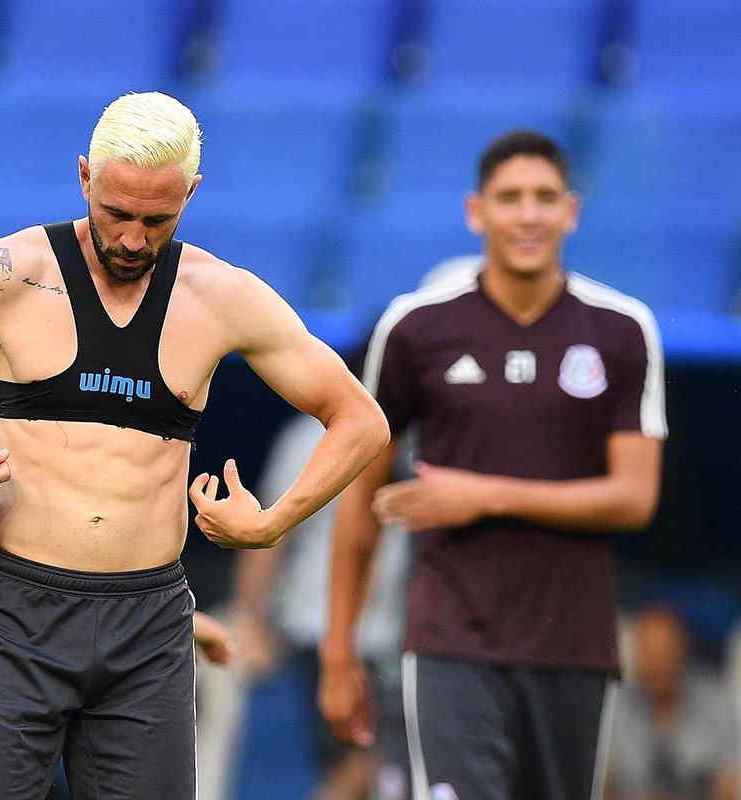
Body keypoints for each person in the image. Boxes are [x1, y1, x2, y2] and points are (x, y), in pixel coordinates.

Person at [0, 90, 389, 799]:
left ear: (192, 193)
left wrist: (273, 523)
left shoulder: (222, 295)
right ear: (85, 177)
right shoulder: (7, 271)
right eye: (116, 212)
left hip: (147, 625)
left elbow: (361, 420)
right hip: (16, 614)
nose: (131, 238)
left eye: (158, 219)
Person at [319, 130, 668, 800]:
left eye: (544, 198)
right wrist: (340, 649)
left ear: (572, 211)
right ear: (476, 212)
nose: (528, 215)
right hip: (450, 641)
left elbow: (634, 498)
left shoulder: (623, 329)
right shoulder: (415, 328)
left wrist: (487, 495)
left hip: (575, 647)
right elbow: (358, 498)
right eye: (510, 198)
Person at [231, 411, 411, 800]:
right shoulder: (309, 437)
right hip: (322, 627)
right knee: (359, 762)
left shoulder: (430, 432)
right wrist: (250, 619)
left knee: (374, 767)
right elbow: (267, 528)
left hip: (401, 635)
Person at [607, 601, 741, 800]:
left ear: (682, 652)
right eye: (648, 654)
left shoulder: (714, 700)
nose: (655, 666)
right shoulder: (614, 707)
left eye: (663, 654)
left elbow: (732, 782)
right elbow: (598, 784)